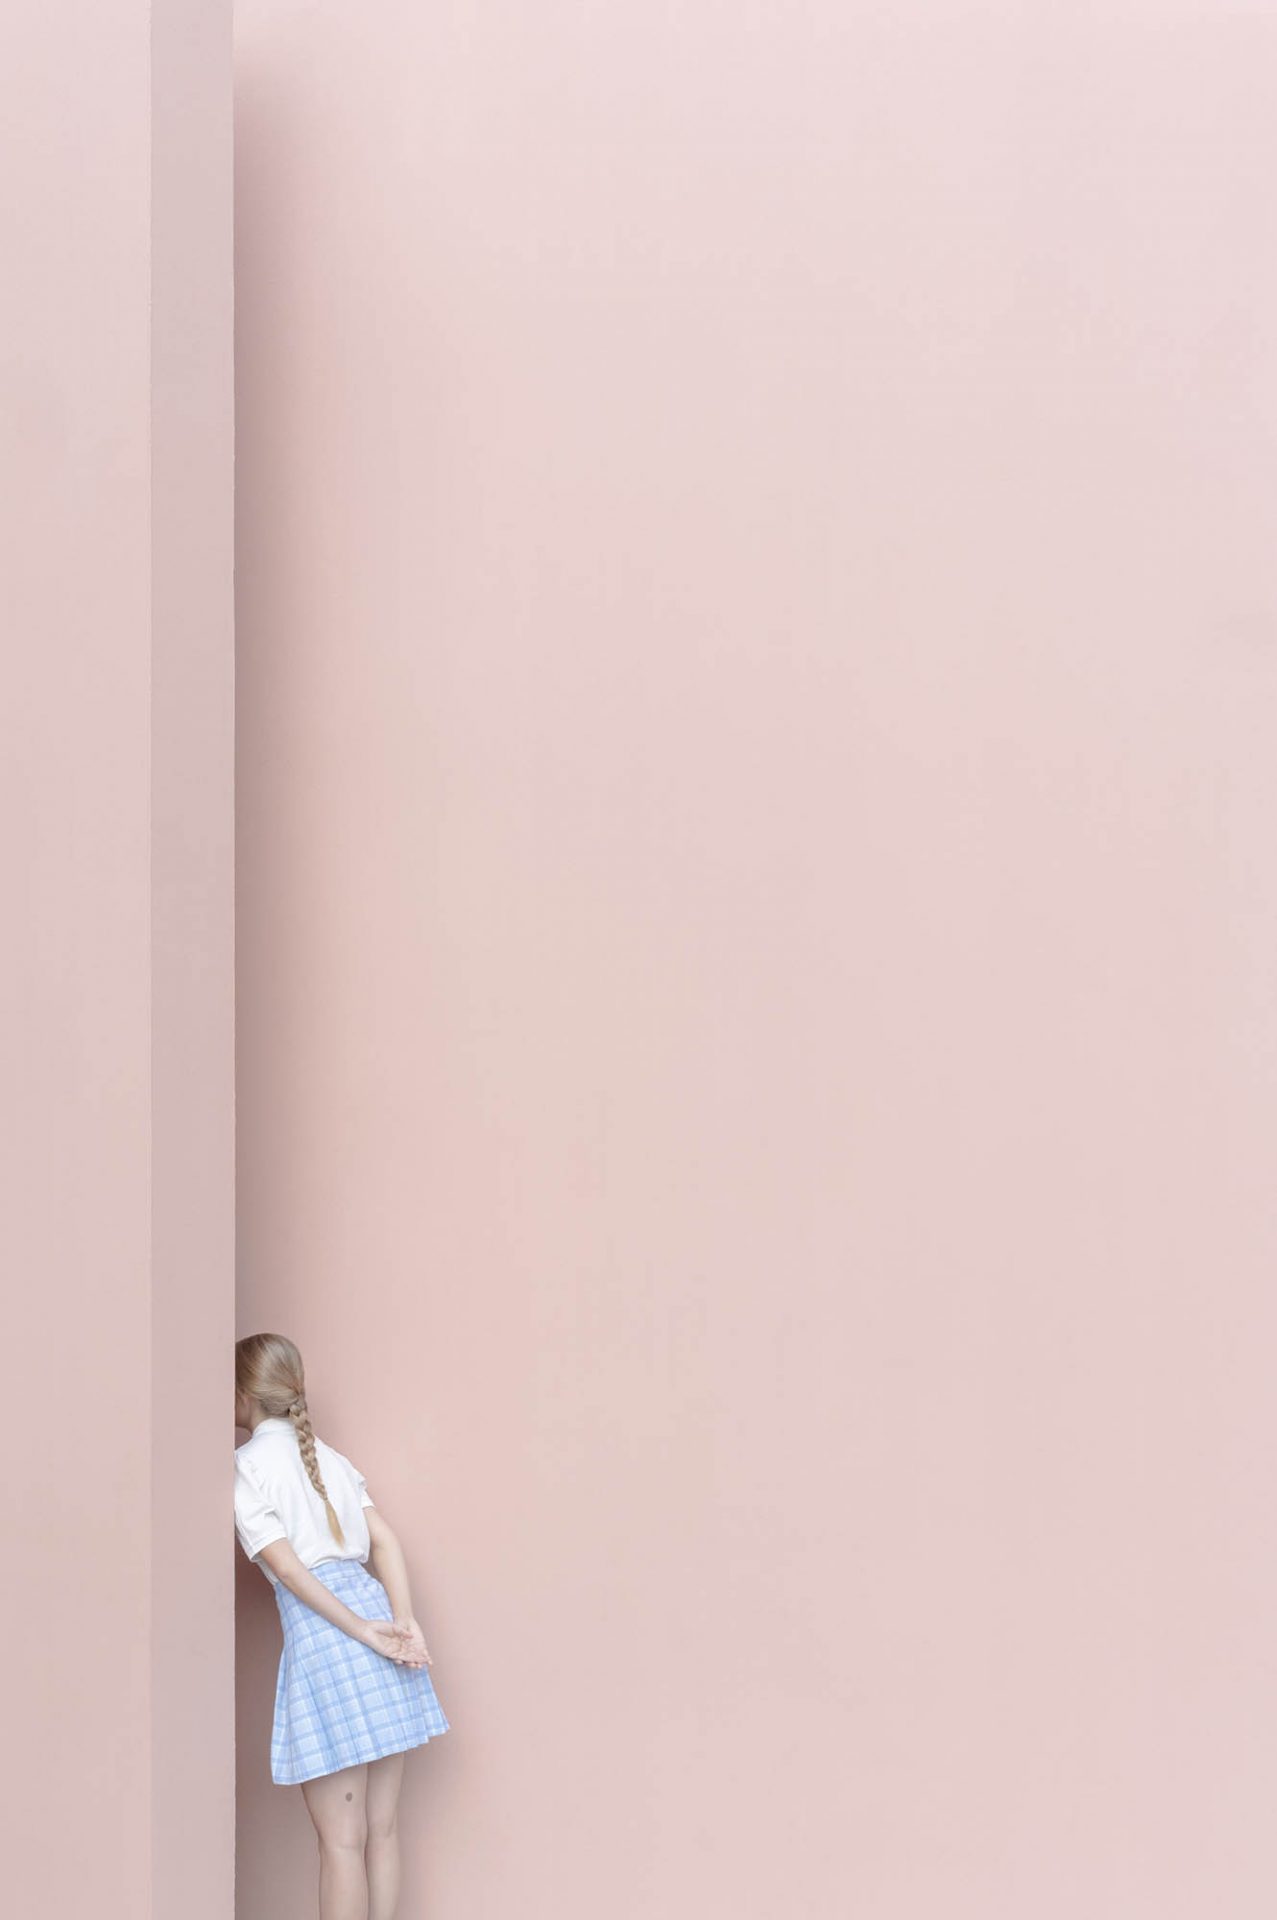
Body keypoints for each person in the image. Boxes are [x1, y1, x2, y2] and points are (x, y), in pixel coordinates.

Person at [234, 1332, 450, 1919]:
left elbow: (288, 1569)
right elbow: (385, 1541)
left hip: (332, 1640)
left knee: (340, 1843)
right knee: (383, 1831)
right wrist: (401, 1623)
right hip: (379, 1628)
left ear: (243, 1394)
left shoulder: (247, 1468)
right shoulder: (329, 1456)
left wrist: (360, 1629)